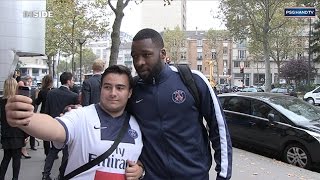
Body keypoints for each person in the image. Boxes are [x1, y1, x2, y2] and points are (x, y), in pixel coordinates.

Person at [5, 65, 144, 180]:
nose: (113, 93)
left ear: (130, 92)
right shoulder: (81, 116)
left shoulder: (138, 124)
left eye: (120, 88)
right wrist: (25, 118)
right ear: (101, 88)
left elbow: (140, 159)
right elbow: (55, 128)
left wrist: (140, 170)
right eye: (107, 87)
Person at [128, 28, 232, 180]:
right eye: (135, 56)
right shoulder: (134, 89)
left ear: (162, 54)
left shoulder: (192, 80)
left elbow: (219, 128)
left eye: (146, 55)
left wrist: (223, 175)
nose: (139, 62)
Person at [41, 72, 79, 180]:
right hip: (68, 127)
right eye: (72, 80)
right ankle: (62, 174)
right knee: (66, 154)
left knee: (52, 152)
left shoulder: (51, 93)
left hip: (54, 125)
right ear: (68, 81)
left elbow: (46, 111)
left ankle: (45, 174)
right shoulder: (73, 96)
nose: (73, 82)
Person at [0, 78, 25, 180]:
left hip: (6, 133)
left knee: (6, 158)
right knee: (16, 159)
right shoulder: (17, 102)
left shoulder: (1, 102)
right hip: (17, 132)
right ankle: (15, 178)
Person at [34, 75, 53, 156]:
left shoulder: (42, 91)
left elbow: (37, 102)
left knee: (46, 135)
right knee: (53, 133)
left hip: (44, 112)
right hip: (52, 113)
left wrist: (36, 95)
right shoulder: (53, 91)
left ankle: (47, 153)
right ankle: (53, 152)